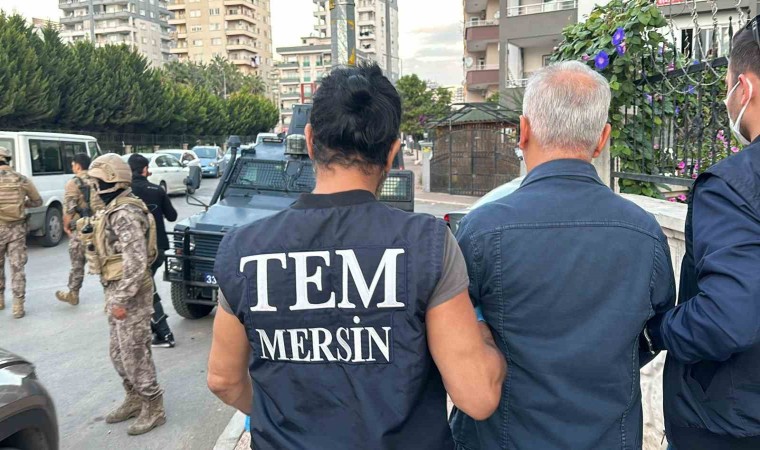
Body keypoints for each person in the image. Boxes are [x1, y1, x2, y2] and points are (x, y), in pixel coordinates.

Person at [207, 62, 506, 450]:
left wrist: (279, 419)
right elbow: (478, 397)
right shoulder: (426, 243)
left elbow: (224, 380)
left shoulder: (244, 249)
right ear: (393, 153)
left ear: (310, 140)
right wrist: (485, 335)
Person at [450, 61, 676, 450]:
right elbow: (654, 329)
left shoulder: (482, 229)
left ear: (523, 131)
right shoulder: (644, 232)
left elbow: (457, 333)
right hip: (608, 438)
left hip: (503, 438)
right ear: (602, 139)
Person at [647, 17, 760, 450]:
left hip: (733, 421)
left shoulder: (734, 185)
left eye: (727, 85)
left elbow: (728, 319)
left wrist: (657, 330)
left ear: (743, 88)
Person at [86, 154, 166, 435]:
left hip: (131, 292)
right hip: (117, 288)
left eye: (97, 181)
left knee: (134, 352)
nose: (94, 187)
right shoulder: (114, 208)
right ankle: (134, 398)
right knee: (118, 352)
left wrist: (121, 299)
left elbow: (136, 261)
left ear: (111, 180)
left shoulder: (125, 212)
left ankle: (153, 406)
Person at [128, 153, 177, 348]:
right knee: (144, 288)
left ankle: (164, 333)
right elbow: (172, 216)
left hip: (136, 250)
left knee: (146, 289)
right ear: (145, 169)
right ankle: (154, 331)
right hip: (159, 248)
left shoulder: (125, 193)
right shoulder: (157, 190)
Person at [0, 146, 42, 318]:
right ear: (9, 160)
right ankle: (18, 306)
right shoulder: (21, 179)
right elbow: (37, 201)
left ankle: (0, 300)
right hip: (17, 229)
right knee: (17, 267)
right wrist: (23, 205)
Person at [56, 153, 104, 306]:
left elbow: (69, 209)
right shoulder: (99, 179)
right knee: (103, 261)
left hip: (82, 228)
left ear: (77, 166)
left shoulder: (73, 183)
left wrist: (66, 226)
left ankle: (73, 294)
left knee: (77, 263)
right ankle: (110, 296)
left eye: (73, 165)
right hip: (100, 226)